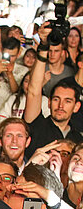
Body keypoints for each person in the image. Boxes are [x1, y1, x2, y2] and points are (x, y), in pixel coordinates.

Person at [24, 22, 83, 159]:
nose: (61, 106)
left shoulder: (78, 138)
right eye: (56, 99)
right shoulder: (37, 125)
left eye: (67, 101)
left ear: (76, 107)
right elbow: (34, 91)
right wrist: (44, 47)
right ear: (49, 102)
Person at [0, 37, 29, 125]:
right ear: (2, 51)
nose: (9, 59)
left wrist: (10, 74)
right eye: (6, 55)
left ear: (18, 54)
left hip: (11, 123)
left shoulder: (24, 72)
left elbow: (18, 93)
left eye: (13, 56)